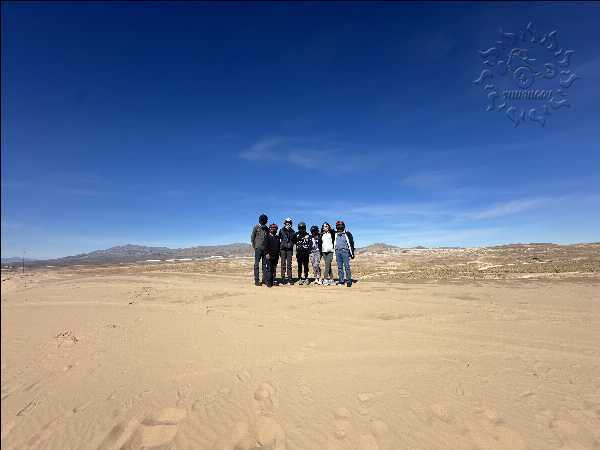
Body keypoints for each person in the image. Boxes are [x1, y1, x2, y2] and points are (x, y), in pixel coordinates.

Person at [334, 220, 355, 287]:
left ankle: (349, 281)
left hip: (345, 251)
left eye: (341, 225)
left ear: (343, 226)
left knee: (347, 266)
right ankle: (341, 281)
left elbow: (351, 243)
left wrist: (352, 254)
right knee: (340, 267)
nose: (339, 227)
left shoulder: (347, 234)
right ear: (336, 227)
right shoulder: (335, 234)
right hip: (337, 251)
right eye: (338, 226)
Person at [250, 214, 269, 286]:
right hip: (258, 249)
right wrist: (255, 247)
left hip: (265, 249)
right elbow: (252, 237)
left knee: (264, 265)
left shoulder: (266, 228)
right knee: (257, 264)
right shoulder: (256, 227)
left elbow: (268, 238)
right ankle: (257, 280)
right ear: (260, 220)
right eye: (263, 220)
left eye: (265, 220)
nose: (265, 221)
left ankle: (264, 280)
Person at [278, 217, 295, 285]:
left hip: (289, 250)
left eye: (289, 223)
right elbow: (279, 239)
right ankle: (283, 278)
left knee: (289, 264)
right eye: (287, 223)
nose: (288, 224)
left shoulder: (293, 232)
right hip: (282, 249)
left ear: (291, 224)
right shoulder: (281, 230)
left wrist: (291, 244)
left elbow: (294, 241)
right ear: (285, 223)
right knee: (283, 264)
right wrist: (280, 247)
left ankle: (290, 278)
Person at [265, 223, 281, 287]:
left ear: (276, 229)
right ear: (270, 229)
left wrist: (279, 254)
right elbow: (265, 246)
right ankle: (268, 282)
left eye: (275, 228)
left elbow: (279, 246)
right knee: (269, 269)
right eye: (272, 228)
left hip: (276, 255)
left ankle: (273, 280)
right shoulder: (267, 236)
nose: (273, 229)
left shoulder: (277, 237)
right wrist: (267, 253)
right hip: (269, 255)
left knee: (274, 269)